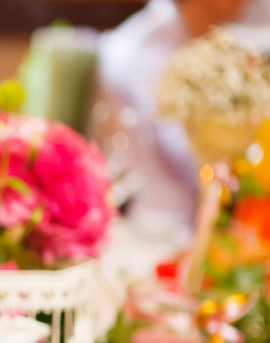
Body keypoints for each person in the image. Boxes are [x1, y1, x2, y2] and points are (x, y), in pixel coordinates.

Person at [96, 0, 259, 247]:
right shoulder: (139, 49)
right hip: (154, 234)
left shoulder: (239, 33)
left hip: (211, 225)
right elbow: (191, 159)